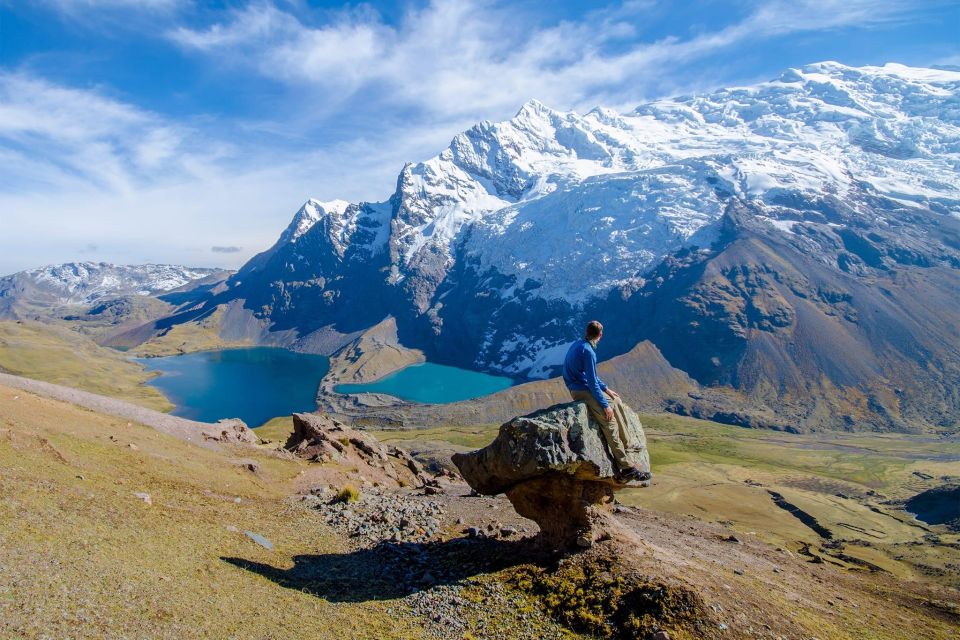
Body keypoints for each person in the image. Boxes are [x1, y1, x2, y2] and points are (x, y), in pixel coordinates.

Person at [563, 320, 650, 483]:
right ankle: (626, 468)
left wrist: (607, 389)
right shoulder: (588, 351)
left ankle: (627, 443)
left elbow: (592, 377)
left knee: (616, 401)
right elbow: (591, 380)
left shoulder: (579, 344)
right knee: (608, 421)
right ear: (600, 335)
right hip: (580, 390)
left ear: (586, 332)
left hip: (580, 385)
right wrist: (604, 405)